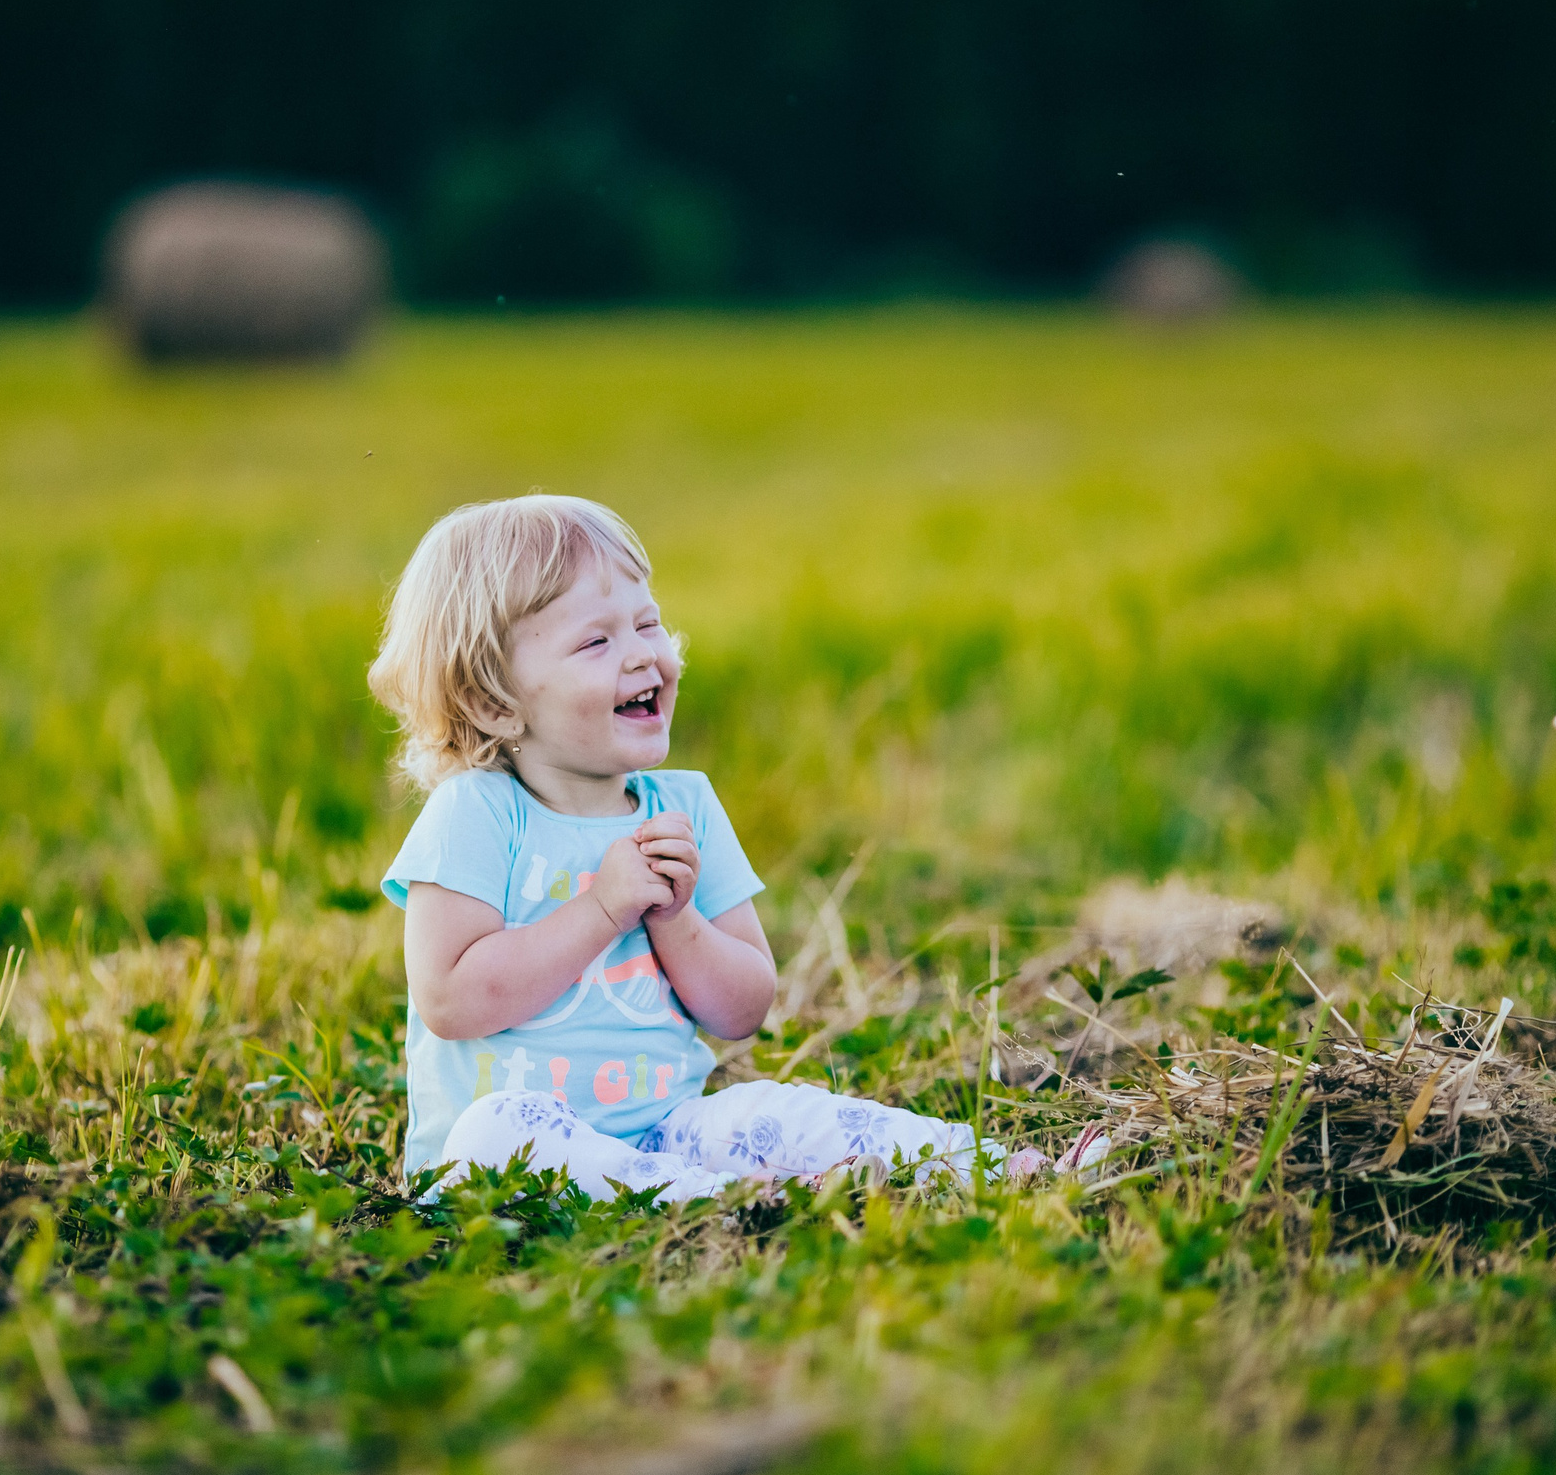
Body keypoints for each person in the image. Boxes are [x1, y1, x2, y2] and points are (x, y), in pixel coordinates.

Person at [368, 494, 1101, 1200]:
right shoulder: (477, 811)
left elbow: (742, 1008)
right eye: (597, 640)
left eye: (648, 624)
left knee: (769, 1111)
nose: (642, 655)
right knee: (495, 1127)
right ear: (495, 700)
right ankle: (725, 1199)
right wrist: (601, 908)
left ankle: (990, 1166)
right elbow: (451, 1000)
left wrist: (675, 918)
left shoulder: (682, 808)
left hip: (662, 1130)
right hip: (501, 1165)